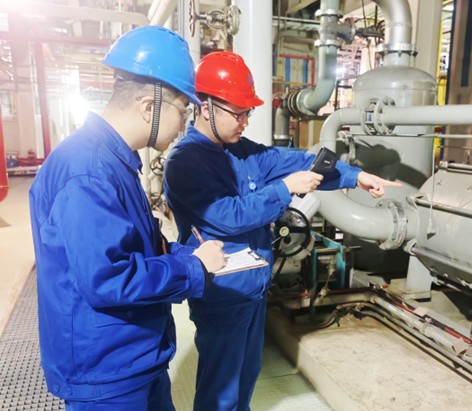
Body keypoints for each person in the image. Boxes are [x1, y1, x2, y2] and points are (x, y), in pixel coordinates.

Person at [163, 51, 402, 411]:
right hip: (222, 294)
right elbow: (227, 216)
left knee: (246, 377)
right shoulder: (185, 162)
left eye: (249, 112)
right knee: (221, 389)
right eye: (239, 113)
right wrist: (284, 189)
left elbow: (301, 161)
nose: (245, 122)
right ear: (206, 106)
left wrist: (355, 176)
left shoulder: (243, 152)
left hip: (254, 288)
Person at [29, 26, 226, 411]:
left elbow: (131, 245)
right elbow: (108, 278)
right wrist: (194, 269)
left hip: (131, 356)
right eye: (183, 111)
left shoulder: (111, 160)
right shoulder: (88, 171)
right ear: (150, 107)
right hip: (106, 373)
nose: (184, 125)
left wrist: (185, 255)